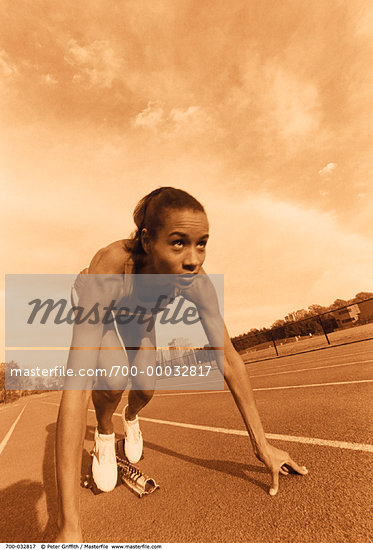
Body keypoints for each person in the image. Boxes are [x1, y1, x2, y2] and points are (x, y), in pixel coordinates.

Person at [55, 187, 308, 542]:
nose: (194, 259)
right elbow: (76, 386)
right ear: (146, 241)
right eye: (178, 243)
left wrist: (261, 445)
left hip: (139, 315)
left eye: (201, 243)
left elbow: (230, 360)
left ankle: (130, 418)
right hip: (105, 307)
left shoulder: (196, 281)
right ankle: (104, 432)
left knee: (145, 387)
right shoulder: (109, 269)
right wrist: (70, 526)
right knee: (112, 379)